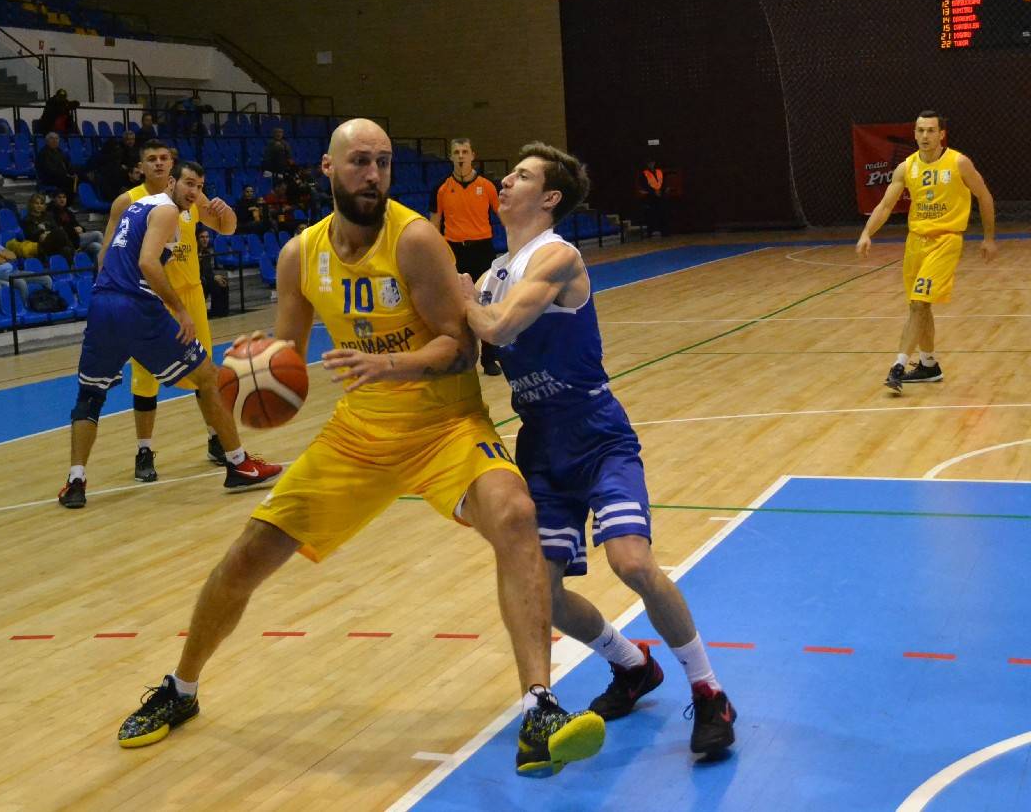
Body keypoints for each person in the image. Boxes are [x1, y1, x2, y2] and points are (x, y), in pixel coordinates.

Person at [113, 119, 605, 778]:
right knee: (246, 556)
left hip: (444, 427)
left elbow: (459, 346)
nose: (372, 175)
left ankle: (540, 706)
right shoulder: (300, 255)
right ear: (328, 167)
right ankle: (181, 687)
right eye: (359, 163)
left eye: (383, 163)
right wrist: (254, 366)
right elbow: (288, 347)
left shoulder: (416, 241)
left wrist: (391, 367)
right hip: (359, 434)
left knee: (516, 517)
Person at [458, 142, 739, 757]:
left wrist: (460, 303)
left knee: (632, 563)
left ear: (550, 197)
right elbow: (474, 352)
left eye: (521, 175)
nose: (504, 180)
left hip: (596, 435)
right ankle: (632, 664)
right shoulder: (488, 278)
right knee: (545, 593)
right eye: (508, 173)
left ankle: (710, 689)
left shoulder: (557, 256)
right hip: (539, 445)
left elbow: (501, 327)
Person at [58, 164, 282, 507]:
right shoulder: (165, 211)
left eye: (200, 186)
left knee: (90, 396)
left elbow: (108, 257)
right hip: (137, 306)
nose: (194, 192)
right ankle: (239, 464)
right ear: (172, 182)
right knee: (209, 377)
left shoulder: (138, 207)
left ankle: (76, 481)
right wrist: (178, 310)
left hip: (103, 304)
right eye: (189, 184)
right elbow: (149, 263)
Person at [99, 145, 248, 477]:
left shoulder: (191, 195)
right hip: (150, 297)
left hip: (191, 295)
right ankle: (143, 451)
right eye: (151, 159)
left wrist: (226, 212)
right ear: (140, 166)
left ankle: (215, 439)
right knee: (146, 378)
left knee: (205, 373)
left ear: (172, 165)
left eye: (164, 158)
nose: (158, 163)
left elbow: (227, 228)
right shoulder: (128, 201)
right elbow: (108, 250)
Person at [856, 110, 997, 391]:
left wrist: (989, 237)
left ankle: (898, 365)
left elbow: (984, 195)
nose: (925, 136)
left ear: (941, 134)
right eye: (920, 130)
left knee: (920, 303)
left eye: (931, 130)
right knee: (918, 306)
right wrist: (866, 233)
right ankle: (929, 365)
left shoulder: (959, 163)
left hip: (946, 241)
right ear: (914, 133)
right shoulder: (906, 167)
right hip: (915, 243)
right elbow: (884, 206)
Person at [430, 137, 502, 376]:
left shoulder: (488, 186)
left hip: (482, 249)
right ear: (451, 156)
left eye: (465, 151)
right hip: (454, 251)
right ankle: (462, 356)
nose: (461, 156)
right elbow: (434, 226)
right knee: (456, 307)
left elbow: (505, 217)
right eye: (456, 152)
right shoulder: (440, 188)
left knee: (486, 301)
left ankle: (490, 358)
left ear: (473, 155)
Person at [20, 193, 76, 261]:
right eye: (36, 203)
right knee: (60, 232)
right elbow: (31, 235)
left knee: (65, 250)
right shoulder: (27, 220)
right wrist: (42, 233)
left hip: (53, 240)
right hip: (40, 244)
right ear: (31, 204)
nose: (39, 206)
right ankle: (74, 251)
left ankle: (70, 263)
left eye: (41, 203)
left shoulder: (48, 216)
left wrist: (46, 233)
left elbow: (55, 227)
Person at [49, 189, 103, 257]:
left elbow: (77, 225)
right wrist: (74, 230)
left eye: (64, 197)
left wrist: (81, 228)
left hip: (77, 237)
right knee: (98, 234)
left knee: (97, 246)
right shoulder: (52, 213)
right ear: (54, 199)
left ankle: (102, 266)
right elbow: (59, 230)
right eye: (59, 197)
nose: (62, 199)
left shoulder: (68, 212)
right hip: (69, 241)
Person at [196, 227, 229, 317]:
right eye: (202, 237)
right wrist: (213, 277)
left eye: (207, 237)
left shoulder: (207, 253)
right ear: (197, 239)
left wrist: (215, 276)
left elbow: (208, 270)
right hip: (198, 280)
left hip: (206, 278)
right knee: (212, 283)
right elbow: (197, 273)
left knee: (223, 281)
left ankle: (221, 311)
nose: (205, 239)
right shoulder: (193, 254)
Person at [36, 132, 77, 199]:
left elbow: (67, 164)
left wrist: (73, 173)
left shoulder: (59, 151)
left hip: (60, 176)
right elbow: (49, 170)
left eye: (57, 138)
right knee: (68, 181)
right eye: (52, 139)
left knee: (80, 177)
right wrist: (66, 175)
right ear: (47, 141)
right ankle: (67, 202)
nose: (55, 141)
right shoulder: (44, 153)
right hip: (48, 178)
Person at [639, 158, 668, 238]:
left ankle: (664, 232)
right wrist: (654, 191)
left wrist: (661, 191)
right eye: (649, 163)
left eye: (652, 162)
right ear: (647, 164)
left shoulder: (659, 172)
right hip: (651, 197)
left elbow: (663, 182)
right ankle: (650, 232)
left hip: (661, 196)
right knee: (651, 215)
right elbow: (644, 185)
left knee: (663, 214)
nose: (651, 164)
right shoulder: (644, 173)